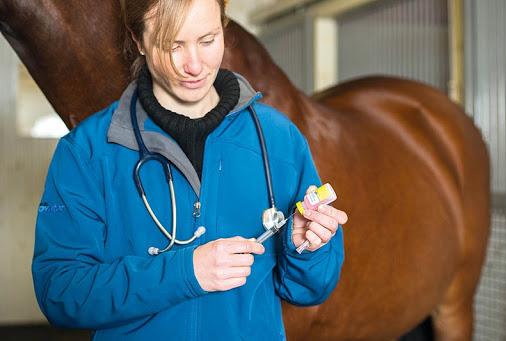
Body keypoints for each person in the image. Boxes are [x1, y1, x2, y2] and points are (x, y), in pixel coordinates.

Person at [32, 0, 348, 339]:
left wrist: (305, 248)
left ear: (224, 27)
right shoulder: (88, 152)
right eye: (173, 45)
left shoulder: (279, 140)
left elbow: (310, 290)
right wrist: (186, 272)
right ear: (138, 40)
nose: (194, 65)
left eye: (208, 40)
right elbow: (59, 292)